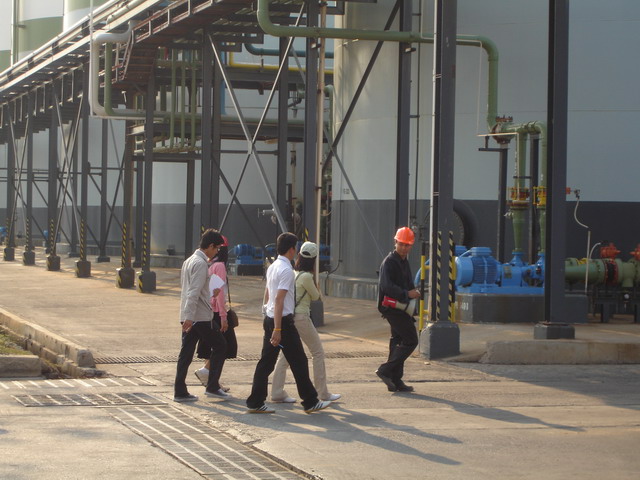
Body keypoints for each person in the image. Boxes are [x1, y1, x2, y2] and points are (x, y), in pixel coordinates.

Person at [246, 232, 332, 414]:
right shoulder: (286, 270)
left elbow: (268, 294)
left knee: (266, 363)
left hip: (271, 318)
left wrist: (268, 317)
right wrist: (278, 328)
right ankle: (310, 401)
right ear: (292, 249)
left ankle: (255, 401)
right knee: (299, 361)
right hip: (283, 322)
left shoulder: (273, 267)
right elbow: (279, 300)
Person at [270, 241, 341, 403]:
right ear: (314, 259)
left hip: (289, 318)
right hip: (302, 317)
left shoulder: (293, 273)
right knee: (317, 352)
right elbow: (316, 297)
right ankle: (322, 393)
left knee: (285, 356)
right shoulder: (307, 277)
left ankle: (277, 391)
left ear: (300, 255)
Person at [173, 228, 230, 402]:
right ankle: (212, 386)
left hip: (190, 314)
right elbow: (194, 292)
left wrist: (187, 315)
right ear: (210, 246)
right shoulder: (200, 264)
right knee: (221, 346)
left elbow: (192, 289)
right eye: (217, 248)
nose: (217, 252)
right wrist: (190, 317)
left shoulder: (189, 261)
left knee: (186, 353)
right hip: (199, 316)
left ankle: (180, 390)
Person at [375, 227, 421, 393]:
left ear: (411, 246)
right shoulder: (389, 262)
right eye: (401, 244)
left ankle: (395, 379)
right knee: (411, 340)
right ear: (395, 242)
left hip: (400, 307)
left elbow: (407, 283)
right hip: (392, 307)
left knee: (398, 340)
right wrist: (407, 294)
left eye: (407, 245)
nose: (403, 247)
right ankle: (385, 370)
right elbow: (386, 286)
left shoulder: (403, 262)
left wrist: (413, 292)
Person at [194, 235, 236, 391]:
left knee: (211, 347)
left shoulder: (209, 264)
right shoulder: (220, 266)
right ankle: (208, 374)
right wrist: (224, 317)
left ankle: (211, 381)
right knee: (225, 347)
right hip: (217, 312)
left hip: (208, 311)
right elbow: (219, 293)